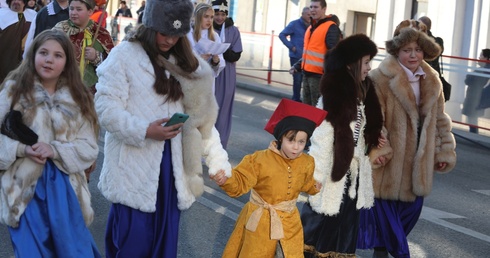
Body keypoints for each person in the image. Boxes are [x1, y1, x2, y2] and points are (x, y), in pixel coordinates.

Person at [94, 0, 232, 257]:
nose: (169, 40)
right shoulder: (124, 56)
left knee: (164, 244)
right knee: (132, 242)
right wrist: (144, 130)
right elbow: (106, 109)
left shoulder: (189, 63)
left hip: (172, 168)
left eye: (176, 35)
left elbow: (202, 121)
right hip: (133, 167)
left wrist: (217, 161)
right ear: (149, 26)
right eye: (163, 32)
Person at [357, 27, 457, 258]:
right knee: (386, 218)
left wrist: (443, 152)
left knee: (410, 211)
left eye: (418, 50)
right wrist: (379, 149)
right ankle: (394, 253)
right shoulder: (379, 78)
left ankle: (384, 249)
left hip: (417, 163)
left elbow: (440, 119)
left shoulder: (432, 80)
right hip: (389, 164)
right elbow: (373, 119)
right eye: (407, 50)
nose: (413, 55)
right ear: (396, 51)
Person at [0, 29, 100, 257]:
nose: (49, 60)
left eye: (57, 55)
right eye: (43, 52)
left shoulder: (78, 97)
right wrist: (21, 149)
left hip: (65, 192)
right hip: (23, 192)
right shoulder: (13, 92)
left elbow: (89, 147)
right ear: (33, 54)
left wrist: (54, 150)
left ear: (66, 63)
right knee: (31, 252)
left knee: (73, 252)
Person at [299, 34, 388, 258]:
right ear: (351, 64)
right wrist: (316, 178)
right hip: (331, 176)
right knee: (321, 230)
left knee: (344, 232)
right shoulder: (335, 96)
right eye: (366, 62)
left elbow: (358, 133)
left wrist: (372, 138)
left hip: (351, 177)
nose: (369, 67)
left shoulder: (361, 93)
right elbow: (321, 139)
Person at [211, 98, 326, 257]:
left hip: (290, 224)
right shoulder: (259, 160)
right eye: (291, 140)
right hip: (260, 224)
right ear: (280, 138)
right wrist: (226, 180)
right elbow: (240, 181)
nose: (296, 146)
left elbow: (306, 183)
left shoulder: (307, 162)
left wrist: (314, 187)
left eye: (301, 142)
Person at [54, 0, 114, 92]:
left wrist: (96, 57)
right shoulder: (60, 29)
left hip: (92, 93)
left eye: (78, 9)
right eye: (71, 8)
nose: (74, 13)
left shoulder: (101, 33)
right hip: (63, 88)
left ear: (90, 11)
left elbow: (112, 66)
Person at [290, 0, 341, 107]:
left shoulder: (330, 27)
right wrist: (297, 66)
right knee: (306, 110)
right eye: (311, 7)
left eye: (316, 7)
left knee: (317, 111)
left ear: (324, 9)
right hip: (307, 75)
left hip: (319, 78)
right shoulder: (311, 27)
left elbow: (334, 55)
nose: (312, 10)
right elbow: (308, 54)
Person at [211, 0, 242, 149]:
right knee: (209, 109)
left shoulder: (233, 30)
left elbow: (235, 55)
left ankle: (219, 147)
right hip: (210, 73)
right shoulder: (206, 28)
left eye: (222, 14)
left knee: (223, 110)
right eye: (216, 14)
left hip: (227, 74)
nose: (219, 18)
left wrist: (220, 49)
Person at [187, 2, 225, 93]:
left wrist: (215, 61)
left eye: (211, 17)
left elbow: (220, 62)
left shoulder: (215, 36)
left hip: (208, 82)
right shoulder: (188, 35)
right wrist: (199, 59)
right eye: (206, 16)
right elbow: (184, 57)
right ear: (198, 17)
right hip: (191, 80)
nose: (209, 20)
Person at [0, 0, 36, 83]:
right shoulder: (1, 14)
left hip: (25, 63)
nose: (16, 1)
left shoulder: (33, 15)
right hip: (4, 62)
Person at [279, 6, 310, 102]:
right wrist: (292, 47)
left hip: (307, 57)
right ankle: (295, 100)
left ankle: (304, 100)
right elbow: (282, 35)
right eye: (308, 14)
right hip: (296, 56)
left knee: (306, 80)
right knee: (297, 80)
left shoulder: (312, 25)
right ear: (303, 14)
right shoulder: (294, 24)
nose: (310, 16)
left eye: (311, 15)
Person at [463, 48, 490, 133]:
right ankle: (474, 136)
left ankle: (474, 137)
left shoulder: (483, 70)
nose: (479, 57)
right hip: (476, 98)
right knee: (473, 120)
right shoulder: (483, 69)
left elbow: (468, 80)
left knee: (472, 120)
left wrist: (469, 75)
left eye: (481, 55)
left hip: (475, 98)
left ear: (487, 58)